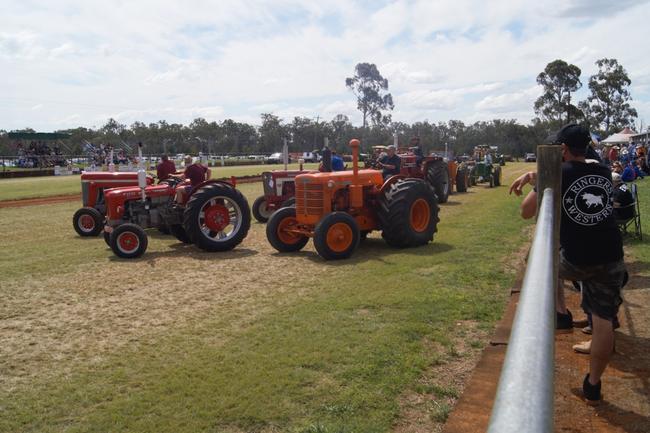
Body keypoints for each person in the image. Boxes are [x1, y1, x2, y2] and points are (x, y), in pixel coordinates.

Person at [509, 124, 626, 405]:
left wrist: (538, 179)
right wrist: (535, 174)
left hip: (576, 260)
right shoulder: (599, 170)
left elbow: (526, 212)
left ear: (561, 149)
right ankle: (593, 384)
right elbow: (583, 172)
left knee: (538, 260)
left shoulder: (556, 175)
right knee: (603, 320)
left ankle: (561, 313)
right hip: (611, 256)